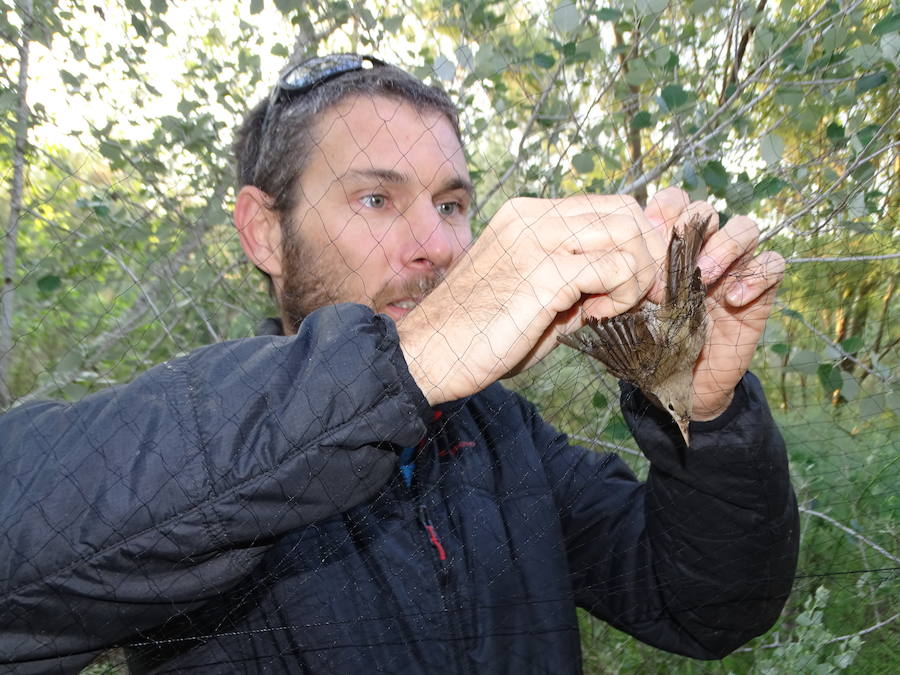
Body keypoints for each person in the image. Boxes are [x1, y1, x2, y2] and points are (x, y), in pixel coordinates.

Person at [0, 54, 799, 674]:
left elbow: (709, 606)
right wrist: (401, 365)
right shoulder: (184, 452)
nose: (439, 245)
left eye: (451, 205)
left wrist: (700, 406)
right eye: (376, 199)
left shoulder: (501, 436)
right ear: (264, 234)